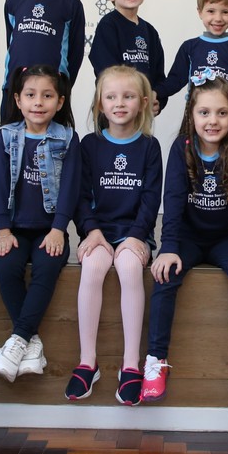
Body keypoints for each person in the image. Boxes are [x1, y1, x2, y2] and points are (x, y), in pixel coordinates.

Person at [142, 73, 228, 402]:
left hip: (225, 239)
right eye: (204, 112)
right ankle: (156, 360)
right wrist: (169, 247)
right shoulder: (181, 147)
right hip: (188, 237)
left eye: (222, 113)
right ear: (191, 115)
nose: (213, 120)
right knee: (164, 276)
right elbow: (172, 201)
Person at [67, 66, 162, 405]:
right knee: (93, 268)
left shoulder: (150, 147)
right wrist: (91, 230)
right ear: (100, 105)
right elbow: (79, 195)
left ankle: (131, 365)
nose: (119, 103)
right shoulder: (89, 145)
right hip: (99, 232)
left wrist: (137, 236)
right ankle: (87, 362)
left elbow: (151, 199)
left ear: (144, 103)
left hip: (133, 234)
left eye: (128, 96)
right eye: (111, 97)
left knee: (130, 268)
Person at [0, 65, 80, 381]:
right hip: (13, 228)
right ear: (17, 99)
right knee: (5, 266)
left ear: (60, 101)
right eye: (30, 95)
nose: (38, 102)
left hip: (49, 229)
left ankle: (18, 339)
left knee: (47, 266)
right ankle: (30, 342)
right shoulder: (5, 136)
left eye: (47, 96)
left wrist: (59, 229)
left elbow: (70, 187)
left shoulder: (67, 138)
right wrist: (2, 230)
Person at [0, 0, 86, 124]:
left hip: (52, 91)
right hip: (15, 87)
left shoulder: (70, 4)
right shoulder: (14, 1)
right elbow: (12, 44)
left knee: (54, 140)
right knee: (10, 138)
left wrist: (62, 86)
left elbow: (75, 53)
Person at [158, 0, 228, 138]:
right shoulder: (189, 47)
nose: (218, 18)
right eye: (211, 11)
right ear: (200, 12)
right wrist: (155, 92)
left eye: (225, 12)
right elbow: (175, 80)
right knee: (188, 152)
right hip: (196, 116)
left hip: (227, 116)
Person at [87, 0, 167, 114]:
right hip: (115, 109)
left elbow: (158, 75)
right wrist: (126, 97)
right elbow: (106, 71)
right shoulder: (108, 25)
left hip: (142, 110)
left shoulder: (150, 31)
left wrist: (158, 99)